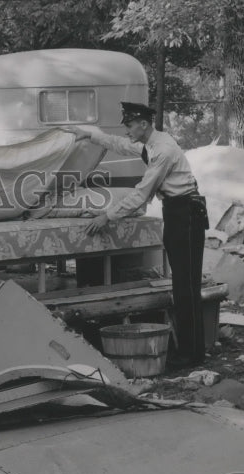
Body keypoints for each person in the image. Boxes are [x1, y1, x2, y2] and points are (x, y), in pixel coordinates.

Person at [62, 102, 209, 367]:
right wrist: (92, 136)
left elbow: (142, 193)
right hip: (178, 212)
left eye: (130, 125)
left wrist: (107, 215)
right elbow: (121, 144)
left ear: (143, 124)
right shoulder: (151, 144)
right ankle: (193, 350)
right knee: (183, 285)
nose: (127, 130)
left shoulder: (162, 150)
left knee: (186, 287)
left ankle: (190, 355)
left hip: (186, 214)